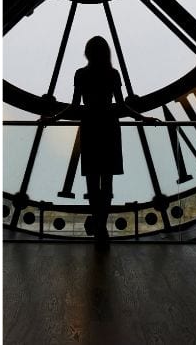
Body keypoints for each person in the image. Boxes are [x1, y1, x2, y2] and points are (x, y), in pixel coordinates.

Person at [41, 36, 156, 244]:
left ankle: (99, 227)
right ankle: (102, 227)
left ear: (88, 53)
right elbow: (121, 106)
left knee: (92, 182)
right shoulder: (113, 74)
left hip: (90, 127)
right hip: (109, 127)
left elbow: (74, 106)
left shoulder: (81, 74)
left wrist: (52, 118)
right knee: (107, 181)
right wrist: (142, 118)